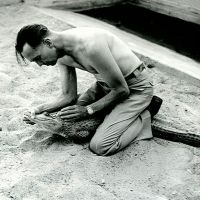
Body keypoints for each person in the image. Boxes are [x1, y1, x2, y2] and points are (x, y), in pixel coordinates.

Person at [15, 24, 162, 156]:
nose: (40, 64)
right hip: (104, 85)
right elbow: (68, 96)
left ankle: (146, 113)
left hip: (135, 88)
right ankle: (112, 116)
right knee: (67, 114)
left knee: (100, 146)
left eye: (38, 58)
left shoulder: (90, 45)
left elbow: (122, 90)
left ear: (48, 42)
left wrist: (89, 110)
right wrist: (38, 110)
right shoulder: (59, 51)